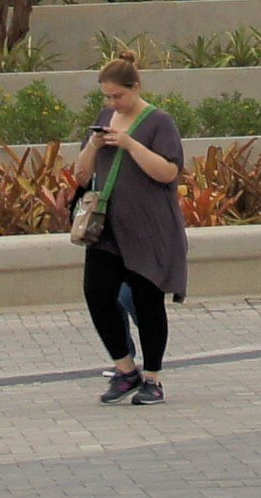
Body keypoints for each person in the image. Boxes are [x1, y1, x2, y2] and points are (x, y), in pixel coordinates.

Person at [71, 55, 190, 399]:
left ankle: (152, 378)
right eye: (106, 97)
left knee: (147, 300)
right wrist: (93, 146)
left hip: (148, 228)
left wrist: (130, 143)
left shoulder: (159, 123)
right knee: (97, 293)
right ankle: (125, 369)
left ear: (134, 88)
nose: (111, 103)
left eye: (117, 97)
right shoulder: (105, 118)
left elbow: (168, 172)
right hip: (107, 228)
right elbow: (81, 174)